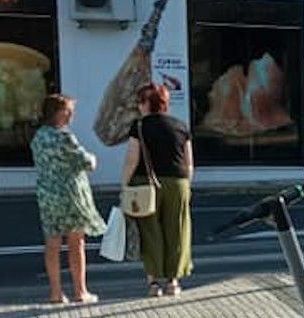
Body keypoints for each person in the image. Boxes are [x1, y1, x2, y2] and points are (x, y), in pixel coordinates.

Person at [30, 94, 106, 304]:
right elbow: (86, 162)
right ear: (58, 113)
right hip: (70, 195)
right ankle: (80, 291)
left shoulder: (38, 137)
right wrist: (92, 158)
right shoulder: (64, 137)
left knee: (52, 243)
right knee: (76, 242)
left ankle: (55, 293)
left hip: (47, 195)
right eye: (68, 111)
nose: (71, 115)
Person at [122, 83, 193, 297]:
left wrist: (124, 185)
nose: (139, 106)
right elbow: (189, 162)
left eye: (140, 102)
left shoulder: (140, 126)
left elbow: (132, 159)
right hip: (177, 182)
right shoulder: (181, 126)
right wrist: (187, 186)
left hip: (145, 183)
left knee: (149, 231)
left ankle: (153, 283)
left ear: (146, 104)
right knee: (177, 230)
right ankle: (173, 281)